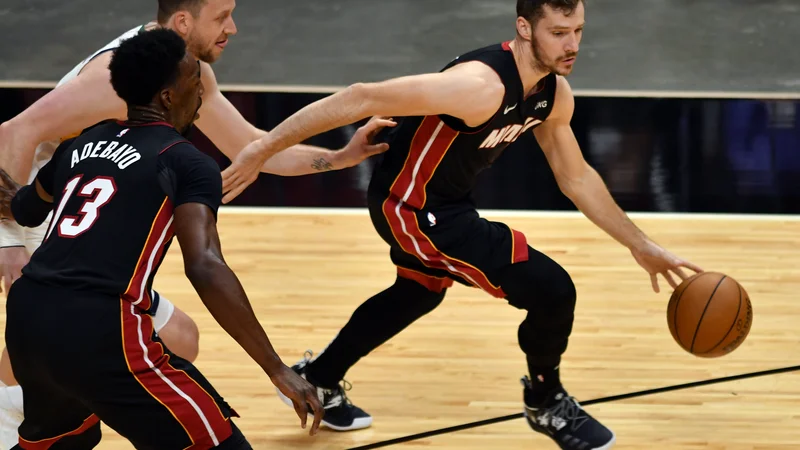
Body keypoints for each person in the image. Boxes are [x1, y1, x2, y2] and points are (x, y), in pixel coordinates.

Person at [220, 0, 704, 448]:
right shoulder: (479, 86)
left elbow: (576, 176)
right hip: (410, 207)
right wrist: (260, 151)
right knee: (552, 289)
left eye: (577, 30)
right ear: (524, 28)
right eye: (558, 33)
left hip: (445, 202)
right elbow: (359, 96)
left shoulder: (552, 94)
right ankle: (546, 401)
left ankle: (319, 378)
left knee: (419, 290)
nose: (572, 44)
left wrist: (639, 245)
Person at [0, 0, 391, 441]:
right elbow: (13, 133)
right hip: (53, 212)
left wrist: (340, 157)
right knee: (50, 355)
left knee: (176, 338)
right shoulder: (116, 88)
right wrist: (9, 243)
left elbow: (252, 146)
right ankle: (9, 413)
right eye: (222, 17)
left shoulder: (173, 71)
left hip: (53, 206)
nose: (234, 28)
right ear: (183, 23)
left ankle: (47, 411)